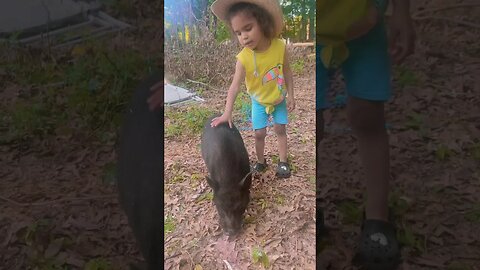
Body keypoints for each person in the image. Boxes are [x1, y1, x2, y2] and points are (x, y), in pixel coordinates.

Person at [316, 0, 415, 268]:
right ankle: (307, 206)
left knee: (368, 114)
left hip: (364, 18)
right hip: (305, 30)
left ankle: (378, 219)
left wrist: (399, 12)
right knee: (309, 123)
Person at [209, 0, 295, 178]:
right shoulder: (243, 58)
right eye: (238, 33)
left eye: (248, 28)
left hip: (278, 98)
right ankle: (261, 162)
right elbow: (234, 87)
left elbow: (287, 71)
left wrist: (291, 95)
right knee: (259, 133)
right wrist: (227, 113)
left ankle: (283, 162)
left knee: (280, 129)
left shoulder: (279, 46)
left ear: (262, 22)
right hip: (258, 100)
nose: (244, 37)